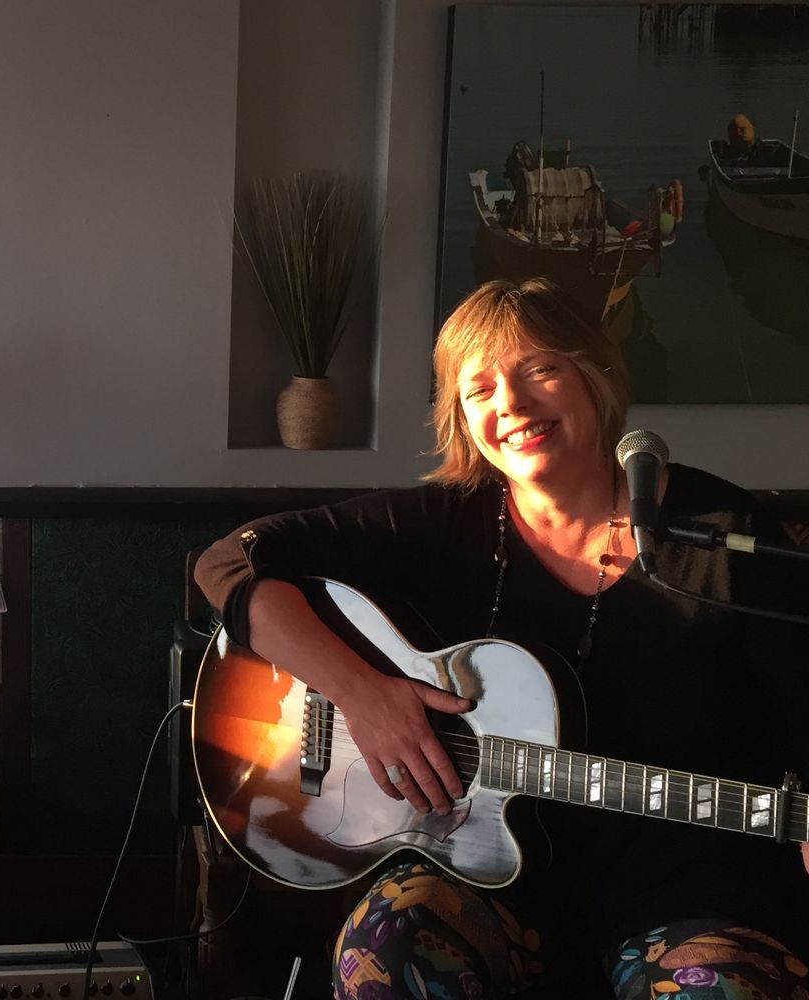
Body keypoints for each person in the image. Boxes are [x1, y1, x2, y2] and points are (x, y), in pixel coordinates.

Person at [194, 278, 809, 998]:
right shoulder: (442, 522)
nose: (510, 404)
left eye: (539, 369)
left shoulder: (721, 535)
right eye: (479, 388)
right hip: (480, 879)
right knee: (387, 947)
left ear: (596, 375)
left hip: (687, 890)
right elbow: (228, 563)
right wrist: (362, 694)